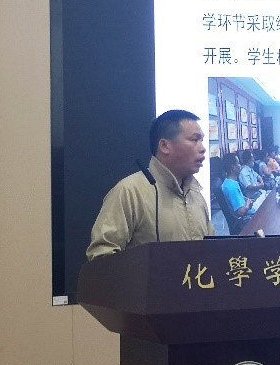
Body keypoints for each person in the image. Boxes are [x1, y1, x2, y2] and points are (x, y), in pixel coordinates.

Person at [86, 109, 214, 260]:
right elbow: (101, 256)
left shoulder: (196, 194)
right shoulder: (130, 192)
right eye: (194, 140)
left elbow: (213, 251)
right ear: (164, 146)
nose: (203, 148)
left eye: (202, 140)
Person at [221, 153, 256, 226]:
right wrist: (248, 205)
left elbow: (238, 198)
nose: (240, 165)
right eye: (238, 163)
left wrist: (246, 199)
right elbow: (241, 212)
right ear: (233, 167)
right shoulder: (231, 187)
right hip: (246, 220)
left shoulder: (229, 182)